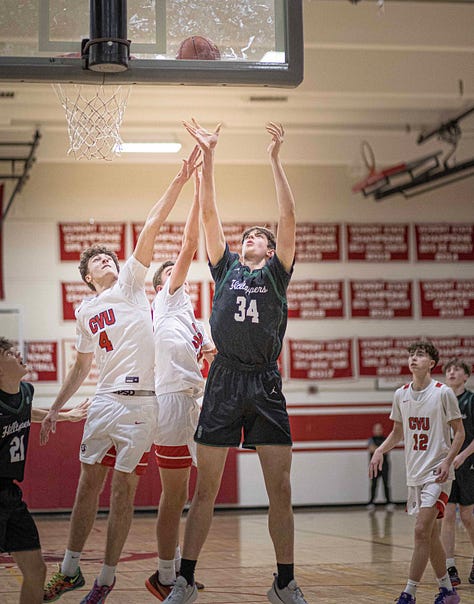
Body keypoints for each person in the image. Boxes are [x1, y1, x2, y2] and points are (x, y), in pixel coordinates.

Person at [40, 146, 201, 604]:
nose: (108, 261)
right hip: (104, 399)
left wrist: (179, 178)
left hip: (142, 402)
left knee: (124, 490)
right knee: (87, 484)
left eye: (111, 257)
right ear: (87, 278)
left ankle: (106, 578)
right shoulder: (86, 309)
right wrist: (54, 408)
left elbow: (151, 224)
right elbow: (80, 365)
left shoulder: (132, 284)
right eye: (98, 261)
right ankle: (69, 569)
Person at [160, 119, 307, 604]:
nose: (251, 238)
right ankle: (184, 579)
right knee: (206, 491)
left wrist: (274, 160)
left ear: (269, 248)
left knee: (279, 489)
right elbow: (208, 217)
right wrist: (211, 157)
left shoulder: (278, 274)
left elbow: (287, 218)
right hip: (223, 380)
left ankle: (284, 582)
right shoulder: (225, 269)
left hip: (265, 382)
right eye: (246, 236)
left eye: (258, 236)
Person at [145, 171, 216, 601]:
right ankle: (165, 573)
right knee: (174, 496)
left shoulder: (197, 320)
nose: (180, 271)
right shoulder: (166, 300)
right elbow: (189, 245)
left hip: (197, 402)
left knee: (194, 494)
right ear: (161, 284)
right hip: (170, 401)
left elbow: (214, 355)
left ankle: (181, 571)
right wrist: (197, 189)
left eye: (179, 271)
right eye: (171, 271)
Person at [369, 340, 465, 604]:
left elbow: (460, 432)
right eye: (411, 355)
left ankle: (409, 593)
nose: (413, 359)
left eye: (420, 355)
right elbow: (397, 432)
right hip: (415, 474)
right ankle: (447, 590)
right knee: (430, 534)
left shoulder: (443, 392)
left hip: (438, 473)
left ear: (431, 363)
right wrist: (380, 451)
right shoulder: (401, 394)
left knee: (421, 530)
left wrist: (448, 461)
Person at [0, 337, 88, 604]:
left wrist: (62, 415)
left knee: (37, 570)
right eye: (7, 352)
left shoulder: (25, 392)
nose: (17, 353)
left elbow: (27, 413)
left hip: (11, 496)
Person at [440, 359, 474, 587]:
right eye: (448, 370)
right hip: (446, 465)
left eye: (457, 369)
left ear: (466, 376)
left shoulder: (471, 400)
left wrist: (462, 456)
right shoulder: (440, 400)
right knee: (448, 515)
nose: (452, 372)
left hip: (468, 463)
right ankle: (450, 566)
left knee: (469, 517)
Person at [367, 422, 394, 512]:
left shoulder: (386, 439)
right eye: (376, 429)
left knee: (386, 484)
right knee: (374, 484)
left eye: (379, 429)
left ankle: (389, 502)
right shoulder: (371, 439)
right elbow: (371, 449)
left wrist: (378, 450)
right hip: (374, 466)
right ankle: (371, 502)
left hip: (385, 465)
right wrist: (380, 449)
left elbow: (387, 450)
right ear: (373, 430)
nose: (378, 431)